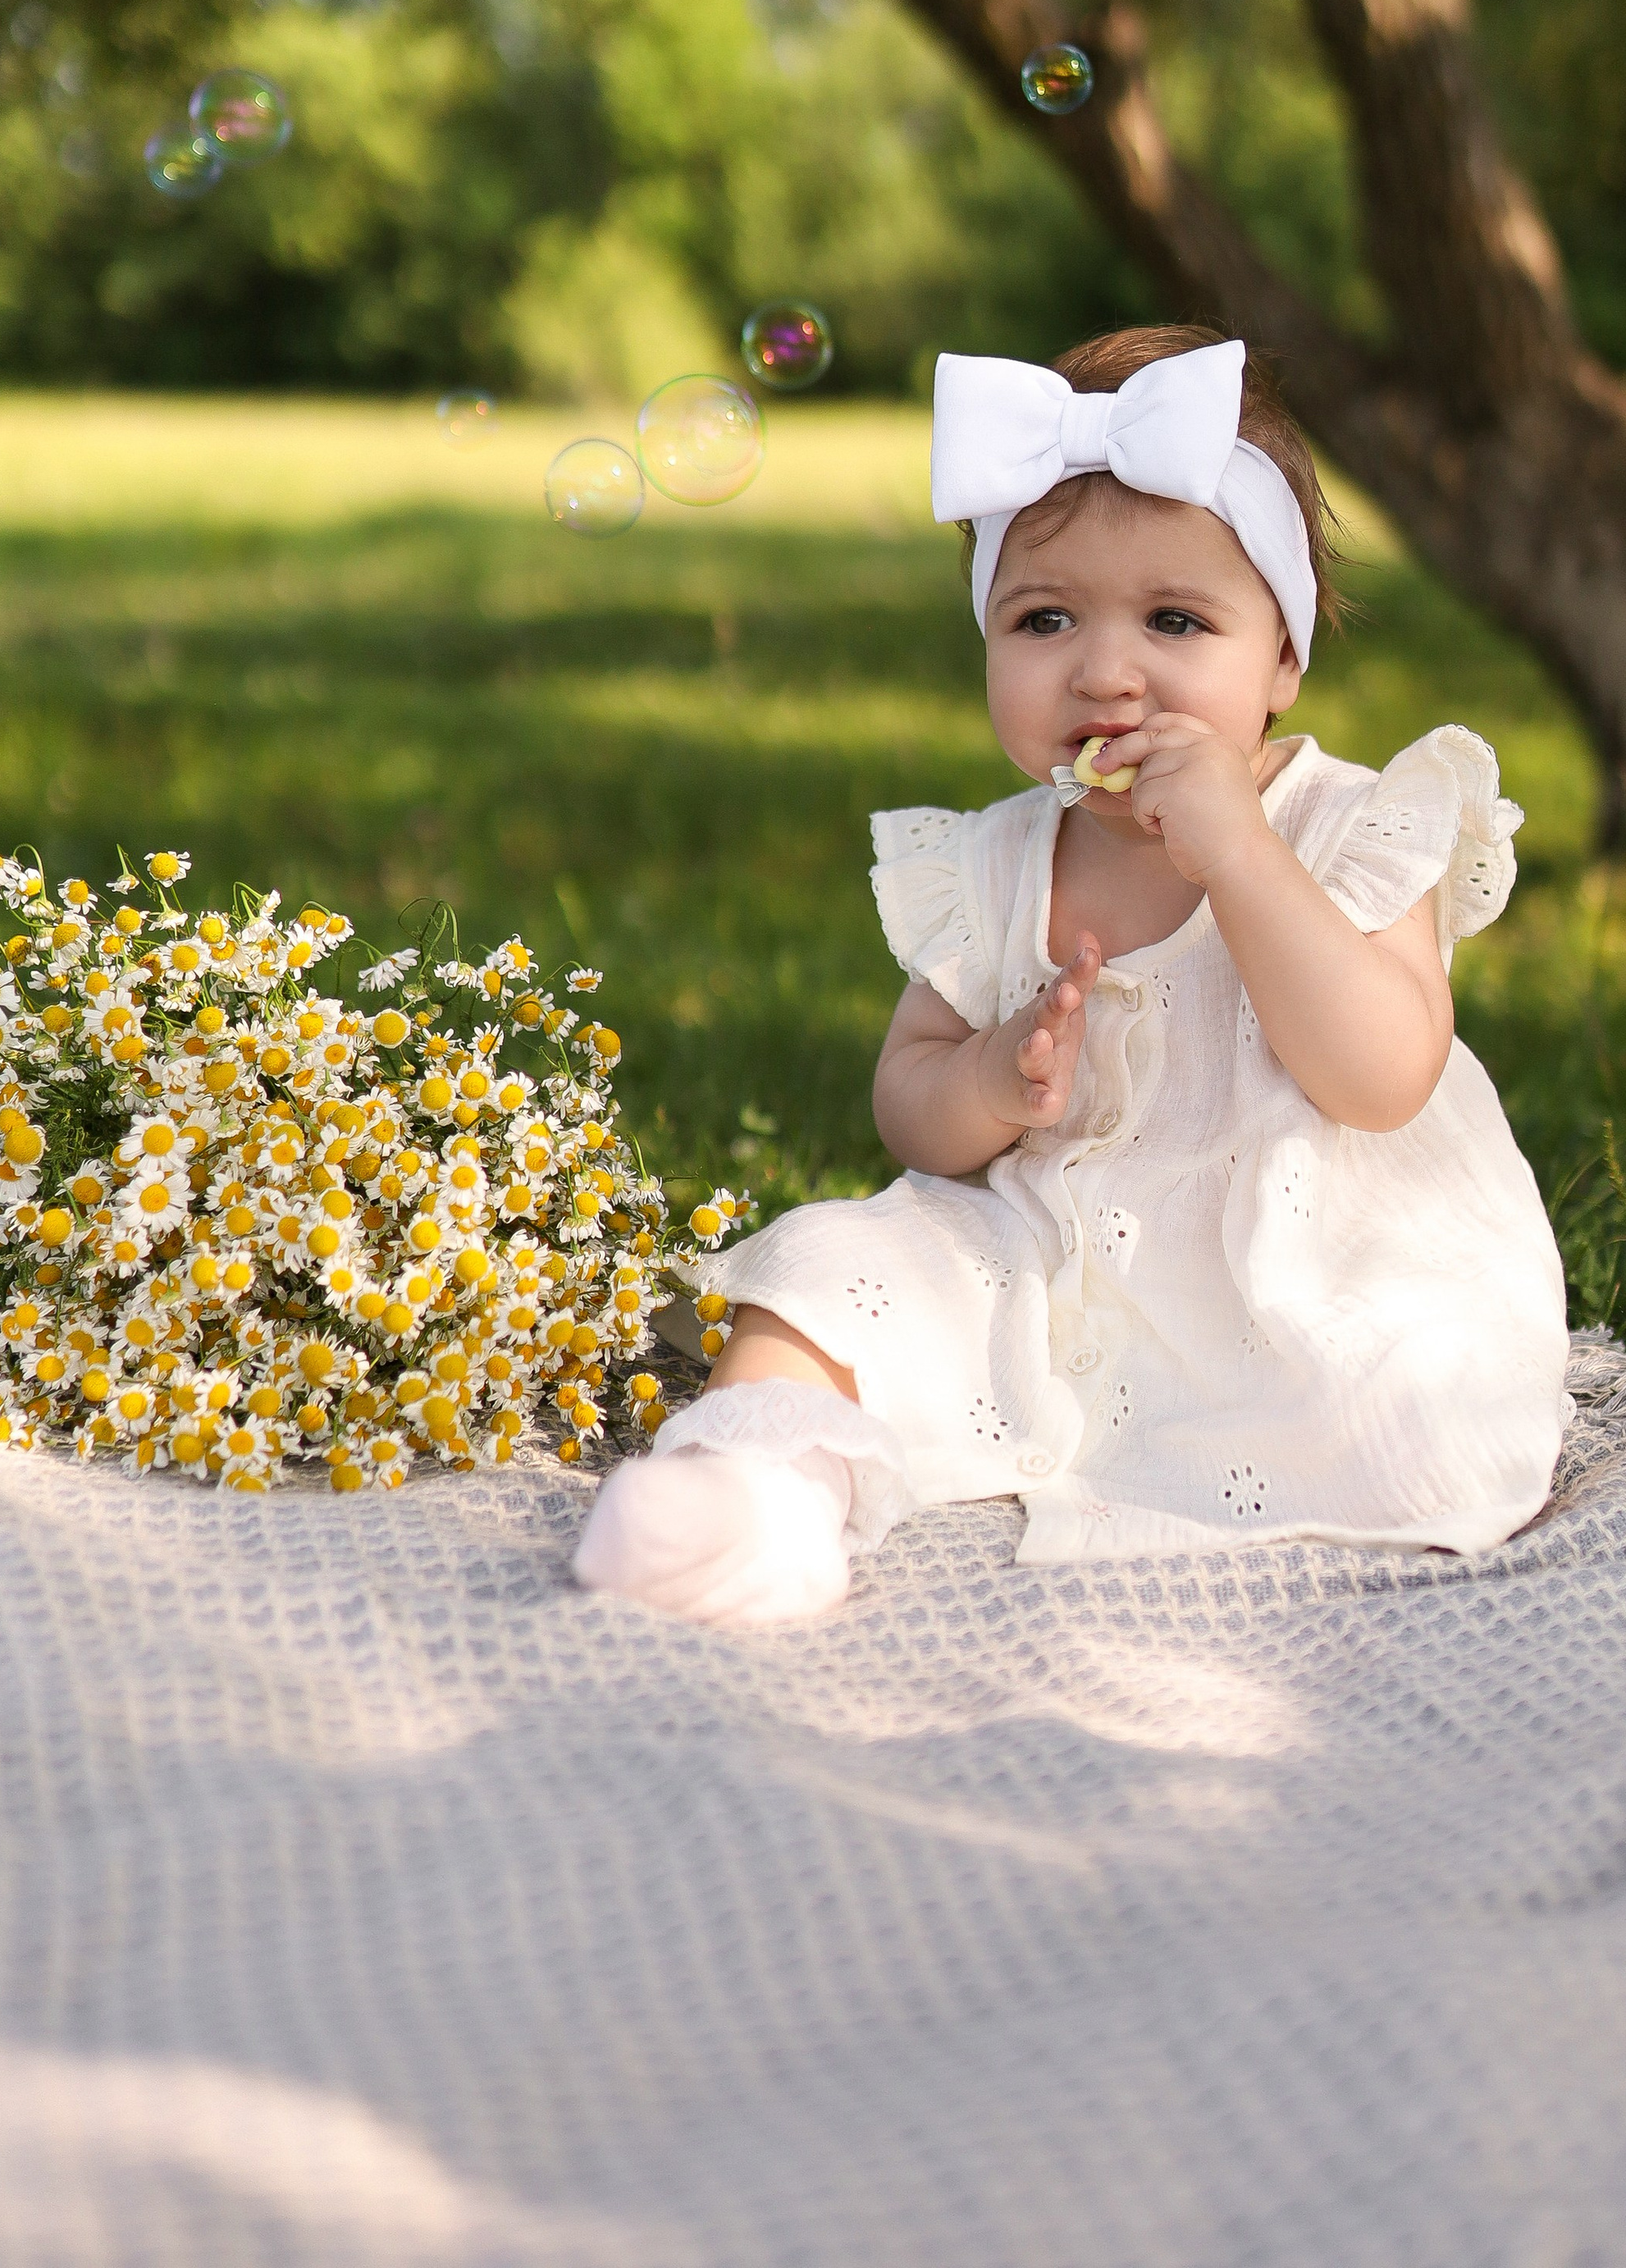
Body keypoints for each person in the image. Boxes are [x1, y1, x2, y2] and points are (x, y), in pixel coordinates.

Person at [574, 326, 1571, 1626]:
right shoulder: (995, 865)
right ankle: (758, 1498)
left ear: (1283, 656)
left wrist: (1244, 859)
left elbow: (1382, 1078)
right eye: (1044, 619)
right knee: (833, 1265)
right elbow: (911, 1108)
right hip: (1046, 1268)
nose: (1105, 671)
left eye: (1175, 620)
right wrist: (989, 1081)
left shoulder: (1351, 827)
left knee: (1414, 1380)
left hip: (1306, 1270)